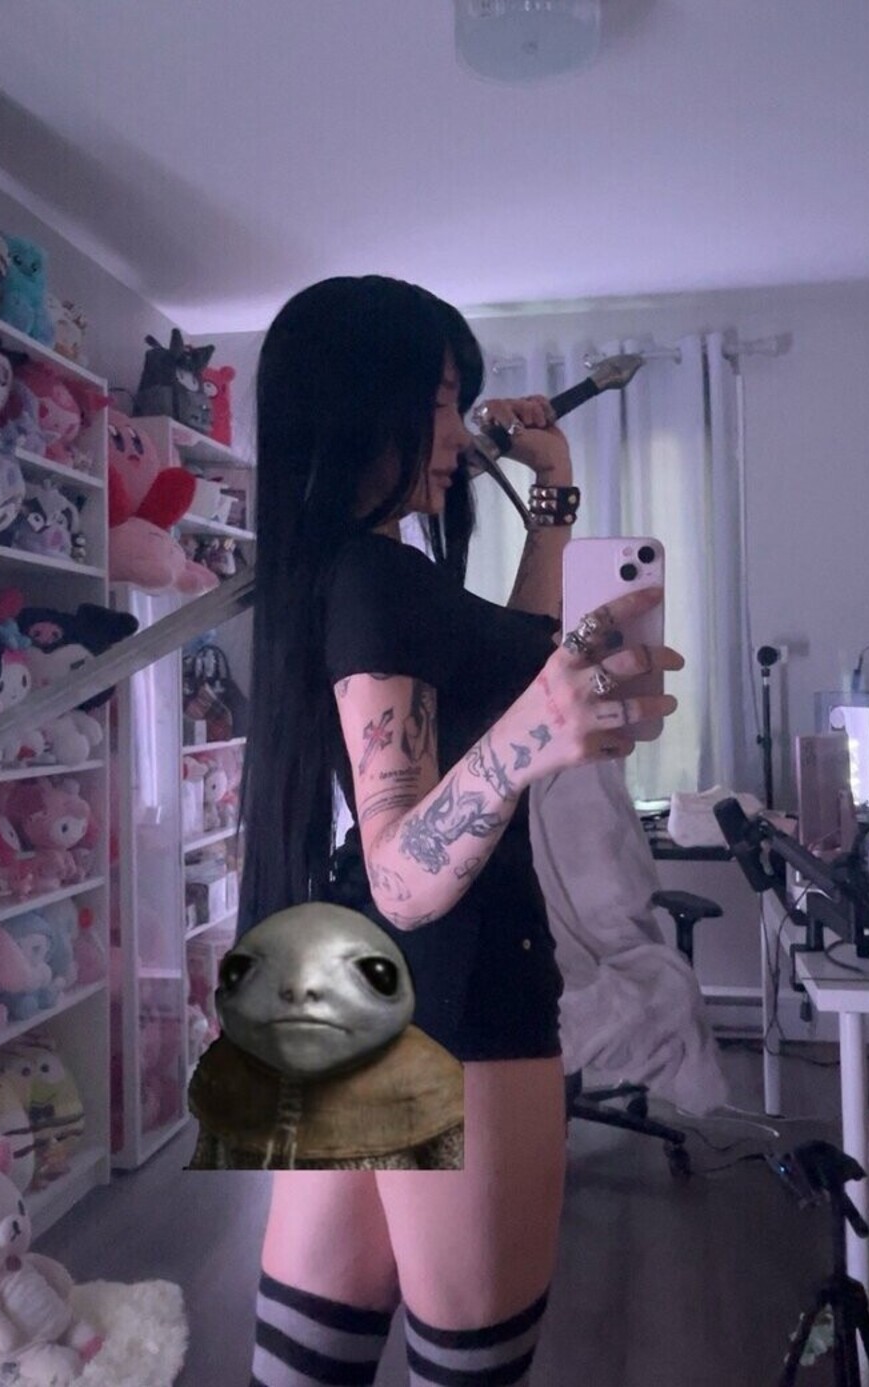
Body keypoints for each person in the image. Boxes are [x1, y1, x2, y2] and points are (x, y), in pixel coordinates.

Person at [238, 275, 682, 1387]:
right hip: (450, 1000)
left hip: (338, 989)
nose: (454, 430)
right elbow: (405, 869)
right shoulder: (374, 580)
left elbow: (513, 667)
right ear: (361, 404)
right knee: (465, 1370)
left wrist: (554, 490)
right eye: (436, 399)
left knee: (308, 1359)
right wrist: (539, 732)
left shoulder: (352, 572)